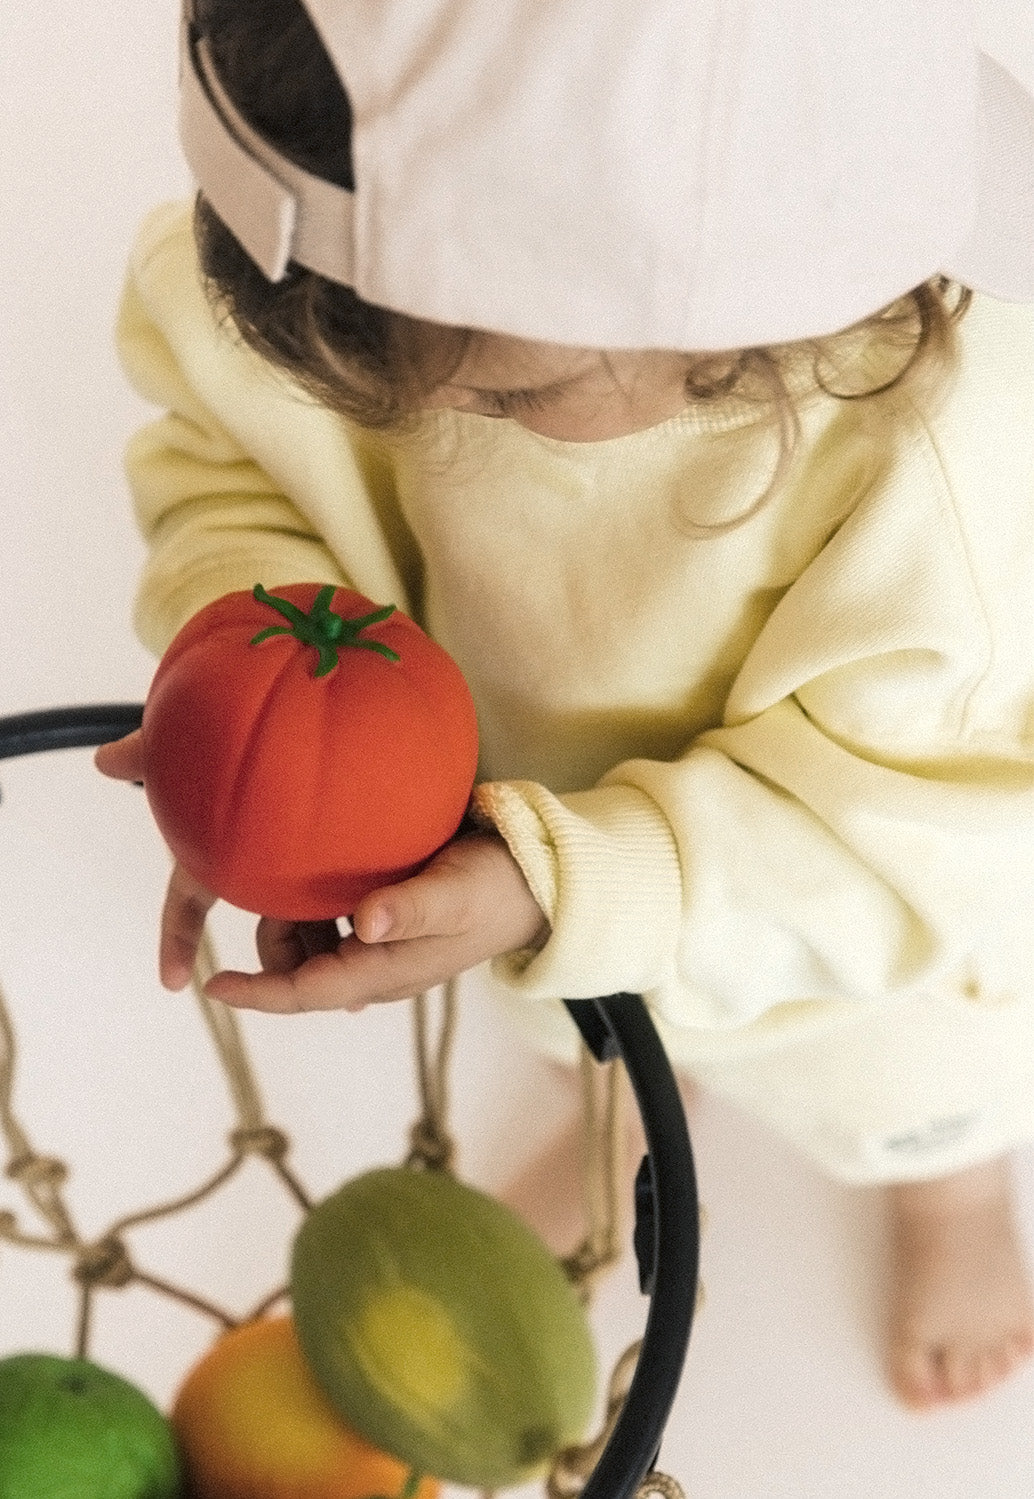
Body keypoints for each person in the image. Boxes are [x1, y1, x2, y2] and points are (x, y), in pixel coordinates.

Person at [96, 0, 1034, 1410]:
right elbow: (229, 457)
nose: (421, 418)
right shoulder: (328, 276)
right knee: (571, 1021)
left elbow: (900, 829)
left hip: (842, 919)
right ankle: (615, 1114)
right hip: (507, 829)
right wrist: (249, 681)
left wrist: (571, 885)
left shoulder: (948, 463)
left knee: (909, 1096)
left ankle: (954, 1209)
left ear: (741, 309)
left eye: (511, 395)